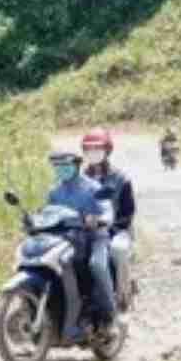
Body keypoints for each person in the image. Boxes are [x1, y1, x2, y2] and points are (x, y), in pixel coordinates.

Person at [46, 140, 117, 333]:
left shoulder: (93, 187)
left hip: (95, 238)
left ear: (76, 165)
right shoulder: (54, 192)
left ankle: (110, 316)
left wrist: (98, 219)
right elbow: (48, 213)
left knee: (97, 265)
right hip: (66, 240)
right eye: (57, 166)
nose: (61, 169)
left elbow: (107, 212)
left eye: (65, 165)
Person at [80, 128, 136, 310]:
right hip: (85, 230)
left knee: (118, 250)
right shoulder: (79, 178)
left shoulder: (121, 178)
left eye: (97, 148)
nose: (93, 153)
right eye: (88, 149)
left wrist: (111, 226)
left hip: (116, 229)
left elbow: (128, 212)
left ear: (107, 150)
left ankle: (122, 297)